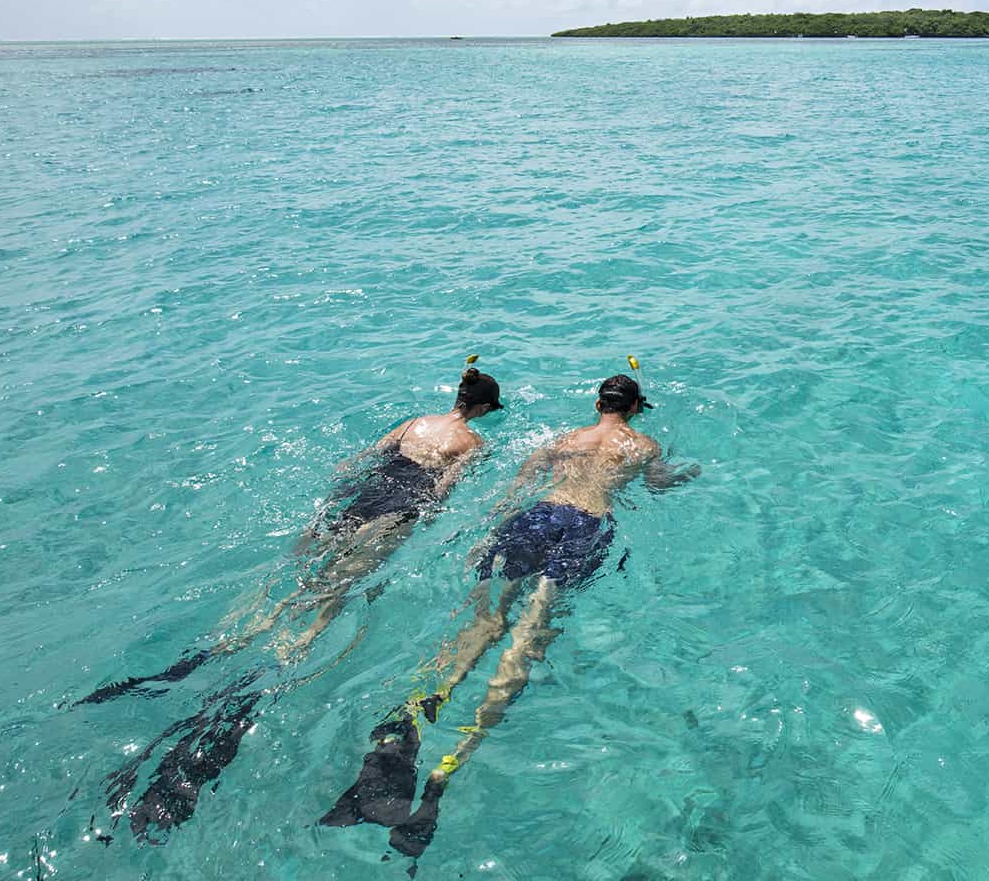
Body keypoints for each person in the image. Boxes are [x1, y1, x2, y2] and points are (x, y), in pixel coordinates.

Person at [321, 373, 699, 857]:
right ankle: (457, 754)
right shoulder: (642, 444)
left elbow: (519, 484)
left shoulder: (565, 439)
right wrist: (689, 472)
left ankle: (418, 711)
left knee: (485, 621)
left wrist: (488, 530)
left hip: (535, 517)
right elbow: (659, 485)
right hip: (585, 524)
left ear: (596, 402)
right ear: (635, 407)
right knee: (529, 633)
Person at [78, 365, 503, 703]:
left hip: (365, 493)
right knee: (342, 582)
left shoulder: (415, 423)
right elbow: (443, 493)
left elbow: (362, 459)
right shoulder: (471, 443)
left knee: (297, 565)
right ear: (482, 409)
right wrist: (428, 520)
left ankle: (242, 630)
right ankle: (298, 644)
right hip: (400, 507)